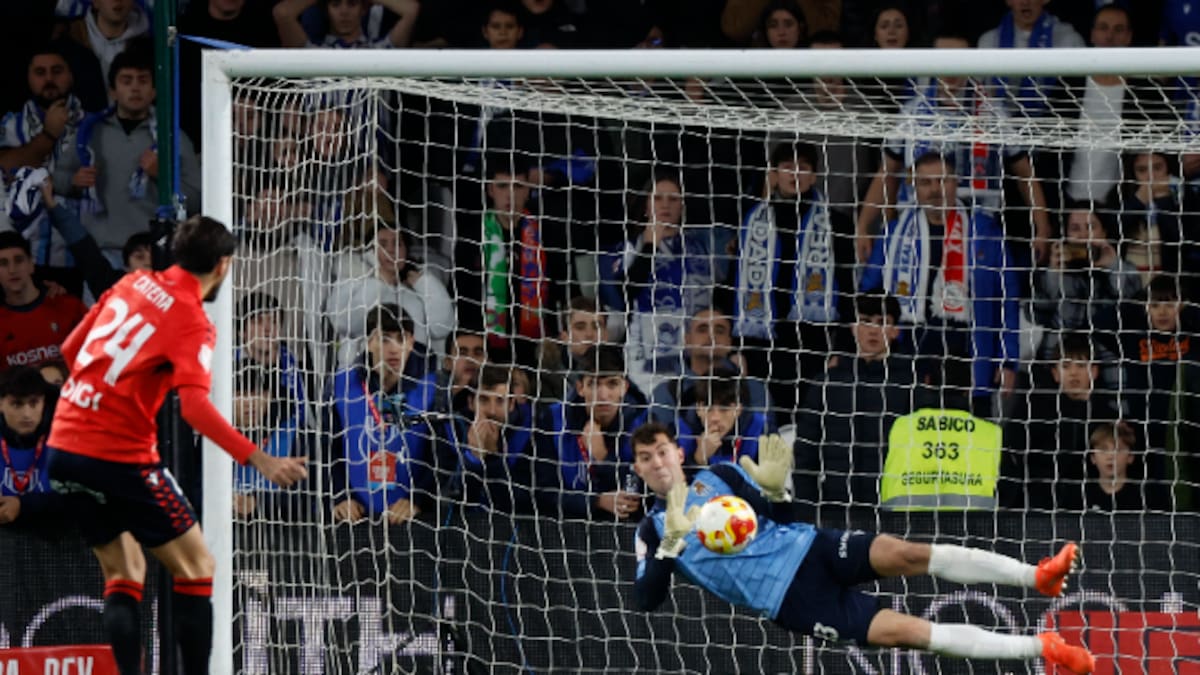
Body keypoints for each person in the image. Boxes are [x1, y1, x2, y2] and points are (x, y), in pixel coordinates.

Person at [45, 215, 308, 675]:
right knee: (198, 567)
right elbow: (195, 410)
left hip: (63, 447)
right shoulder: (192, 321)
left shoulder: (133, 282)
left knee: (125, 571)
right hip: (119, 456)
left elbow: (70, 351)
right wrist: (262, 460)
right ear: (223, 266)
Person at [629, 422, 1096, 675]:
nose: (658, 462)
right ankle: (1044, 647)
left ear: (679, 451)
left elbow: (786, 518)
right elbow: (646, 599)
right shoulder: (651, 531)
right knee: (910, 633)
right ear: (638, 467)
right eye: (646, 457)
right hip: (792, 600)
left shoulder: (723, 477)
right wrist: (672, 542)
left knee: (907, 553)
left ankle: (1036, 575)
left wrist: (774, 492)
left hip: (812, 547)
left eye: (664, 450)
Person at [855, 30, 1051, 265]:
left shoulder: (993, 113)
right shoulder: (912, 113)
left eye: (959, 59)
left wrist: (1042, 227)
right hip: (917, 227)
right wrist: (864, 225)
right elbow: (887, 172)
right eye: (944, 59)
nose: (951, 69)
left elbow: (1024, 173)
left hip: (977, 230)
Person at [859, 152, 1020, 416]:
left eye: (942, 181)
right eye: (926, 183)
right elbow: (869, 294)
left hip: (969, 361)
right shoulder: (894, 234)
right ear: (914, 188)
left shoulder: (985, 231)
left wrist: (1008, 360)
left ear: (955, 182)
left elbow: (1007, 299)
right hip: (906, 361)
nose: (935, 190)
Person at [725, 142, 854, 424]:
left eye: (803, 168)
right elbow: (732, 286)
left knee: (810, 419)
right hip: (761, 344)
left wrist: (841, 349)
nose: (794, 174)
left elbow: (847, 291)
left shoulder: (837, 224)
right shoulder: (750, 219)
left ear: (814, 175)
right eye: (787, 167)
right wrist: (735, 348)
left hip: (813, 343)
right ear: (774, 174)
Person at [52, 48, 201, 267]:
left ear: (154, 91)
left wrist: (163, 178)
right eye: (126, 80)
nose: (135, 88)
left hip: (155, 255)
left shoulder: (174, 138)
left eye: (143, 80)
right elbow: (56, 179)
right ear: (112, 91)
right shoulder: (89, 132)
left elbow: (196, 200)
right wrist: (74, 182)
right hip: (101, 255)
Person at [794, 292, 923, 508]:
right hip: (834, 507)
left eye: (883, 322)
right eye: (865, 321)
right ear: (853, 327)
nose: (873, 329)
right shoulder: (827, 383)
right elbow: (806, 451)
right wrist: (807, 508)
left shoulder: (911, 386)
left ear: (895, 331)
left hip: (892, 509)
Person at [326, 304, 439, 526]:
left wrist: (418, 499)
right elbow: (326, 448)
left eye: (402, 338)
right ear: (369, 343)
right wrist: (340, 496)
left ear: (412, 343)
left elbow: (440, 457)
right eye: (385, 339)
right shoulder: (340, 385)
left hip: (413, 519)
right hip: (353, 518)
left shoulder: (433, 388)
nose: (394, 348)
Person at [1003, 333, 1127, 511]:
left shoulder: (1110, 418)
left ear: (1094, 371)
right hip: (1038, 506)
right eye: (1066, 366)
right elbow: (1012, 453)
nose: (1073, 372)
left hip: (1091, 507)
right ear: (1055, 373)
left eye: (1081, 365)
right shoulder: (1033, 409)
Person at [0, 45, 89, 270]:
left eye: (57, 71)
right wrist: (49, 135)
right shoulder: (10, 124)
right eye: (40, 73)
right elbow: (5, 168)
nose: (49, 79)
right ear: (28, 78)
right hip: (26, 256)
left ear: (70, 75)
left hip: (81, 252)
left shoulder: (94, 124)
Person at [539, 344, 646, 520]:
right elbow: (541, 491)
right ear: (581, 388)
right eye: (594, 384)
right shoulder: (553, 420)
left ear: (624, 388)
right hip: (565, 530)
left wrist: (604, 458)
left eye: (612, 384)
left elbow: (636, 492)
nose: (603, 395)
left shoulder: (642, 423)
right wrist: (596, 501)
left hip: (625, 532)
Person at [432, 363, 541, 513]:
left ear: (511, 404)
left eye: (500, 401)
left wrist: (492, 458)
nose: (491, 411)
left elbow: (524, 503)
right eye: (483, 400)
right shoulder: (450, 430)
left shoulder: (531, 434)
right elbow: (446, 501)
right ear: (471, 402)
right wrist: (473, 459)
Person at [647, 308, 769, 427]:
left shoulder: (754, 390)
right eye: (702, 329)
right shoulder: (666, 393)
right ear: (687, 340)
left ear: (729, 343)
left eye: (719, 331)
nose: (711, 336)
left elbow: (765, 439)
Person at [0, 231, 87, 371]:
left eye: (18, 260)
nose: (12, 270)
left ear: (31, 265)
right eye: (3, 263)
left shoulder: (70, 307)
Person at [0, 366, 66, 529]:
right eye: (17, 404)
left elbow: (82, 500)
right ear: (0, 404)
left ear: (44, 402)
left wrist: (23, 505)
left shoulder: (64, 442)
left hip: (58, 544)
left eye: (34, 403)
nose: (27, 414)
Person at [674, 376, 769, 469]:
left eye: (724, 409)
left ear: (738, 409)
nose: (715, 418)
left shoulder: (761, 429)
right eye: (708, 408)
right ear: (698, 408)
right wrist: (698, 459)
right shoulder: (678, 431)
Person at [1080, 421, 1169, 513]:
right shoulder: (1080, 496)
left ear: (1130, 457)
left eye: (1118, 450)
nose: (1110, 456)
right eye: (1103, 449)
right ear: (1093, 457)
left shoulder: (1147, 497)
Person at [273, 0, 420, 49]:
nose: (344, 12)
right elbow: (283, 13)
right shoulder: (313, 52)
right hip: (323, 121)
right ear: (326, 11)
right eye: (336, 4)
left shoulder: (379, 50)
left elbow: (411, 10)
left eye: (352, 4)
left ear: (363, 10)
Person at [434, 329, 487, 418]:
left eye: (478, 353)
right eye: (462, 353)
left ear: (488, 360)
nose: (470, 359)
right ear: (448, 363)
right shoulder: (430, 394)